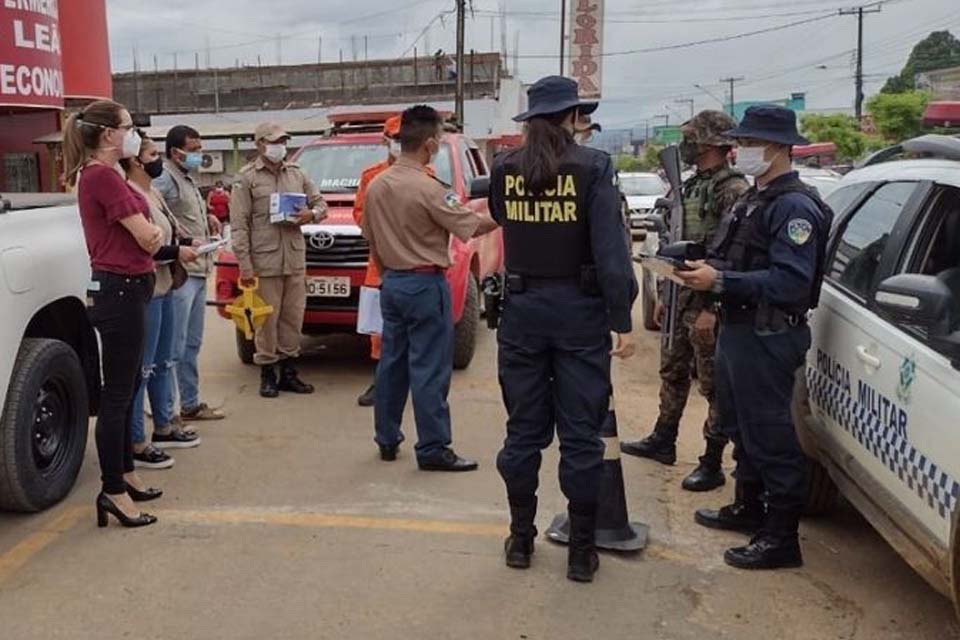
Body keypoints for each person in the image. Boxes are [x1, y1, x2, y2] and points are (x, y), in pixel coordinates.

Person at [488, 76, 638, 583]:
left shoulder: (505, 168)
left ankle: (521, 541)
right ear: (572, 117)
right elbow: (612, 254)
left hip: (523, 312)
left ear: (531, 120)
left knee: (523, 431)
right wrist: (622, 318)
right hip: (579, 314)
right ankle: (579, 552)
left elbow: (501, 218)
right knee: (580, 435)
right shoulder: (593, 168)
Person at [676, 105, 833, 570]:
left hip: (768, 334)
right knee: (740, 427)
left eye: (748, 144)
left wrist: (720, 283)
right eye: (739, 143)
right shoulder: (754, 199)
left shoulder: (794, 207)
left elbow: (790, 283)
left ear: (779, 148)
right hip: (739, 329)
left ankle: (782, 538)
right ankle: (748, 507)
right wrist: (698, 271)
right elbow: (735, 258)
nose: (740, 151)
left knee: (770, 434)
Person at [361, 105, 498, 471]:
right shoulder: (430, 187)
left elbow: (369, 237)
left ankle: (387, 439)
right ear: (430, 144)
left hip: (390, 283)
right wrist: (504, 213)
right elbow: (470, 225)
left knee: (391, 365)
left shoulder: (375, 185)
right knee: (429, 369)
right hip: (424, 283)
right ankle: (433, 448)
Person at [621, 110, 749, 493]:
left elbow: (732, 254)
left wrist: (713, 307)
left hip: (709, 300)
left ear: (710, 143)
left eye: (691, 138)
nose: (686, 146)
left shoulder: (733, 190)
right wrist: (666, 295)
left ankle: (711, 461)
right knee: (673, 370)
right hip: (681, 295)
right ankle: (664, 438)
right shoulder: (693, 186)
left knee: (713, 386)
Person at [64, 100, 162, 528]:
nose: (132, 135)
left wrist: (159, 238)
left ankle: (126, 474)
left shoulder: (109, 175)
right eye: (127, 127)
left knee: (126, 385)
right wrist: (155, 234)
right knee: (118, 395)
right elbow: (147, 239)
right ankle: (113, 491)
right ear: (108, 135)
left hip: (127, 288)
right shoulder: (102, 177)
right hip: (119, 291)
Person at [121, 132, 203, 470]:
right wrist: (175, 248)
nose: (158, 160)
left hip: (168, 281)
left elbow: (166, 229)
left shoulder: (152, 191)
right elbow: (148, 242)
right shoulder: (130, 194)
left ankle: (165, 426)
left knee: (165, 360)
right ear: (135, 159)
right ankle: (138, 440)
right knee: (144, 366)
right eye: (153, 154)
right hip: (150, 287)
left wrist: (186, 239)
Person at [230, 122, 328, 397]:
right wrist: (245, 266)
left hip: (294, 258)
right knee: (266, 321)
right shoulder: (246, 178)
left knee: (292, 318)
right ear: (260, 144)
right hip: (264, 261)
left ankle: (289, 371)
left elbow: (321, 204)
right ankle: (267, 371)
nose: (279, 146)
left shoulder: (297, 173)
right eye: (274, 141)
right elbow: (239, 225)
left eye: (283, 141)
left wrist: (312, 215)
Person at [155, 125, 225, 423]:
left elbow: (182, 213)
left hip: (199, 269)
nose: (199, 156)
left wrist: (207, 217)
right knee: (173, 345)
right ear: (175, 152)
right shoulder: (164, 179)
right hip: (182, 272)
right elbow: (153, 213)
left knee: (191, 343)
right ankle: (167, 411)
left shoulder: (187, 178)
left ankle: (191, 403)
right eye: (194, 150)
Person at [353, 115, 402, 407]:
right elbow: (360, 213)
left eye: (403, 137)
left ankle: (410, 382)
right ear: (385, 140)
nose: (398, 143)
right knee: (378, 329)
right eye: (394, 137)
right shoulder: (371, 176)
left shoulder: (428, 173)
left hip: (415, 261)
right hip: (380, 261)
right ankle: (381, 381)